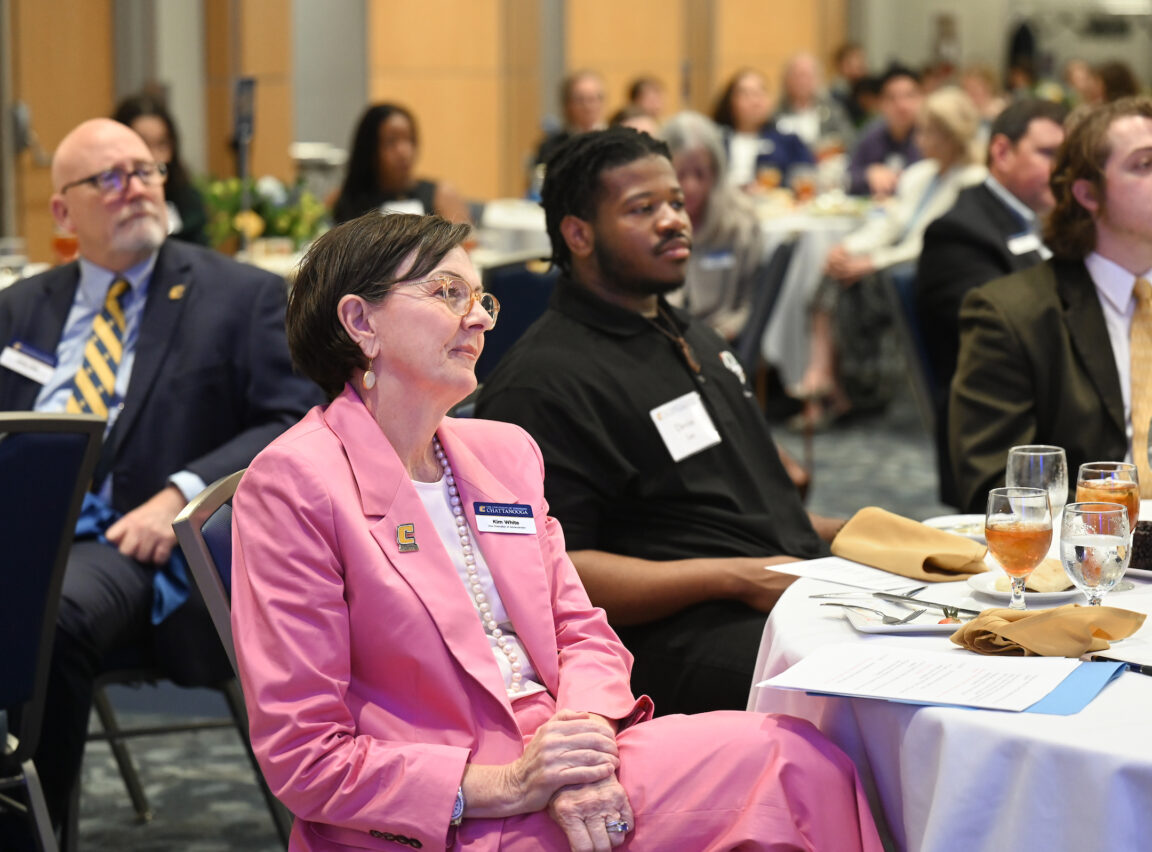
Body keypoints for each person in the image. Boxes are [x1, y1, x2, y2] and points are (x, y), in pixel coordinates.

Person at [231, 210, 882, 852]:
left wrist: (579, 745)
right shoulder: (296, 484)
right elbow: (306, 756)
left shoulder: (503, 452)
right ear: (360, 322)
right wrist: (510, 784)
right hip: (442, 809)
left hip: (562, 744)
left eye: (480, 297)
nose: (481, 318)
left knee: (800, 758)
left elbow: (581, 629)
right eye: (447, 293)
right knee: (784, 781)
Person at [0, 118, 322, 841]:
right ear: (62, 211)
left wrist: (181, 494)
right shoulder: (20, 307)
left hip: (131, 541)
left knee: (47, 613)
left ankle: (29, 832)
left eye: (145, 171)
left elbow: (296, 419)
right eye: (109, 179)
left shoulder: (239, 296)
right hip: (20, 526)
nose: (136, 189)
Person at [476, 129, 844, 715]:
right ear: (579, 234)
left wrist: (849, 535)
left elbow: (736, 508)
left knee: (945, 618)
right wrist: (738, 578)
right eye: (642, 209)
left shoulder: (689, 333)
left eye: (674, 202)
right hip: (668, 639)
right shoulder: (543, 384)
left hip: (772, 588)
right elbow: (556, 571)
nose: (674, 220)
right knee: (864, 681)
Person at [949, 97, 1152, 512]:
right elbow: (992, 482)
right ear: (1088, 193)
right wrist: (1121, 529)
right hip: (1085, 544)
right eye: (1144, 163)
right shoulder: (1012, 316)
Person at [797, 86, 986, 423]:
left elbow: (930, 244)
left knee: (852, 281)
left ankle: (831, 382)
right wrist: (848, 248)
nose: (919, 139)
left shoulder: (972, 181)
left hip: (928, 273)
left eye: (927, 131)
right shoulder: (921, 174)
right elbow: (890, 224)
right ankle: (828, 379)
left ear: (950, 136)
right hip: (897, 263)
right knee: (837, 268)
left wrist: (872, 262)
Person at [916, 98, 1066, 506]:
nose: (1063, 169)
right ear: (1001, 152)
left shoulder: (1045, 220)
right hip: (1001, 434)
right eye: (1049, 153)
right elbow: (1019, 335)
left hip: (1049, 411)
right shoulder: (959, 233)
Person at [660, 111, 763, 339]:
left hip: (722, 338)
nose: (691, 187)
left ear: (716, 173)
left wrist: (721, 335)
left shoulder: (741, 222)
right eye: (680, 175)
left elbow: (750, 302)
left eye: (700, 174)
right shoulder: (651, 224)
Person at [332, 103, 469, 225]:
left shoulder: (442, 196)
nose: (404, 152)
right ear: (369, 148)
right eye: (391, 141)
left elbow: (465, 244)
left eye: (410, 140)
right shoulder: (343, 198)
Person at [112, 93, 208, 245]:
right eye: (143, 143)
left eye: (162, 144)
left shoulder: (187, 200)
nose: (154, 156)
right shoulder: (110, 200)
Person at [711, 68, 815, 190]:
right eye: (746, 95)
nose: (755, 102)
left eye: (760, 94)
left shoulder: (789, 141)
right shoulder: (716, 141)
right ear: (731, 102)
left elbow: (806, 178)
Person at [846, 65, 923, 197]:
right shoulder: (871, 135)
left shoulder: (933, 137)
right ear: (881, 104)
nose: (901, 105)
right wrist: (868, 174)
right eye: (892, 98)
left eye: (909, 96)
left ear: (922, 98)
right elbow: (847, 176)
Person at [773, 52, 855, 155]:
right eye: (797, 76)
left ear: (818, 79)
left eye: (807, 76)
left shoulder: (832, 110)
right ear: (786, 80)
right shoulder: (776, 114)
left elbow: (848, 139)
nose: (802, 81)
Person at [532, 70, 609, 173]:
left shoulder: (615, 141)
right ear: (567, 105)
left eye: (593, 99)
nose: (588, 106)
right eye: (580, 100)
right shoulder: (552, 146)